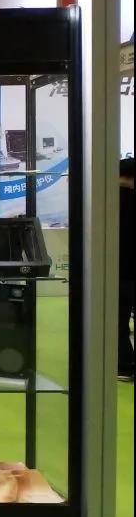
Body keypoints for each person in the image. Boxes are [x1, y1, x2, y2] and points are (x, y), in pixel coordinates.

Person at [118, 157, 135, 381]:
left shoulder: (108, 201)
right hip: (130, 272)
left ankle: (124, 365)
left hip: (117, 272)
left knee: (118, 322)